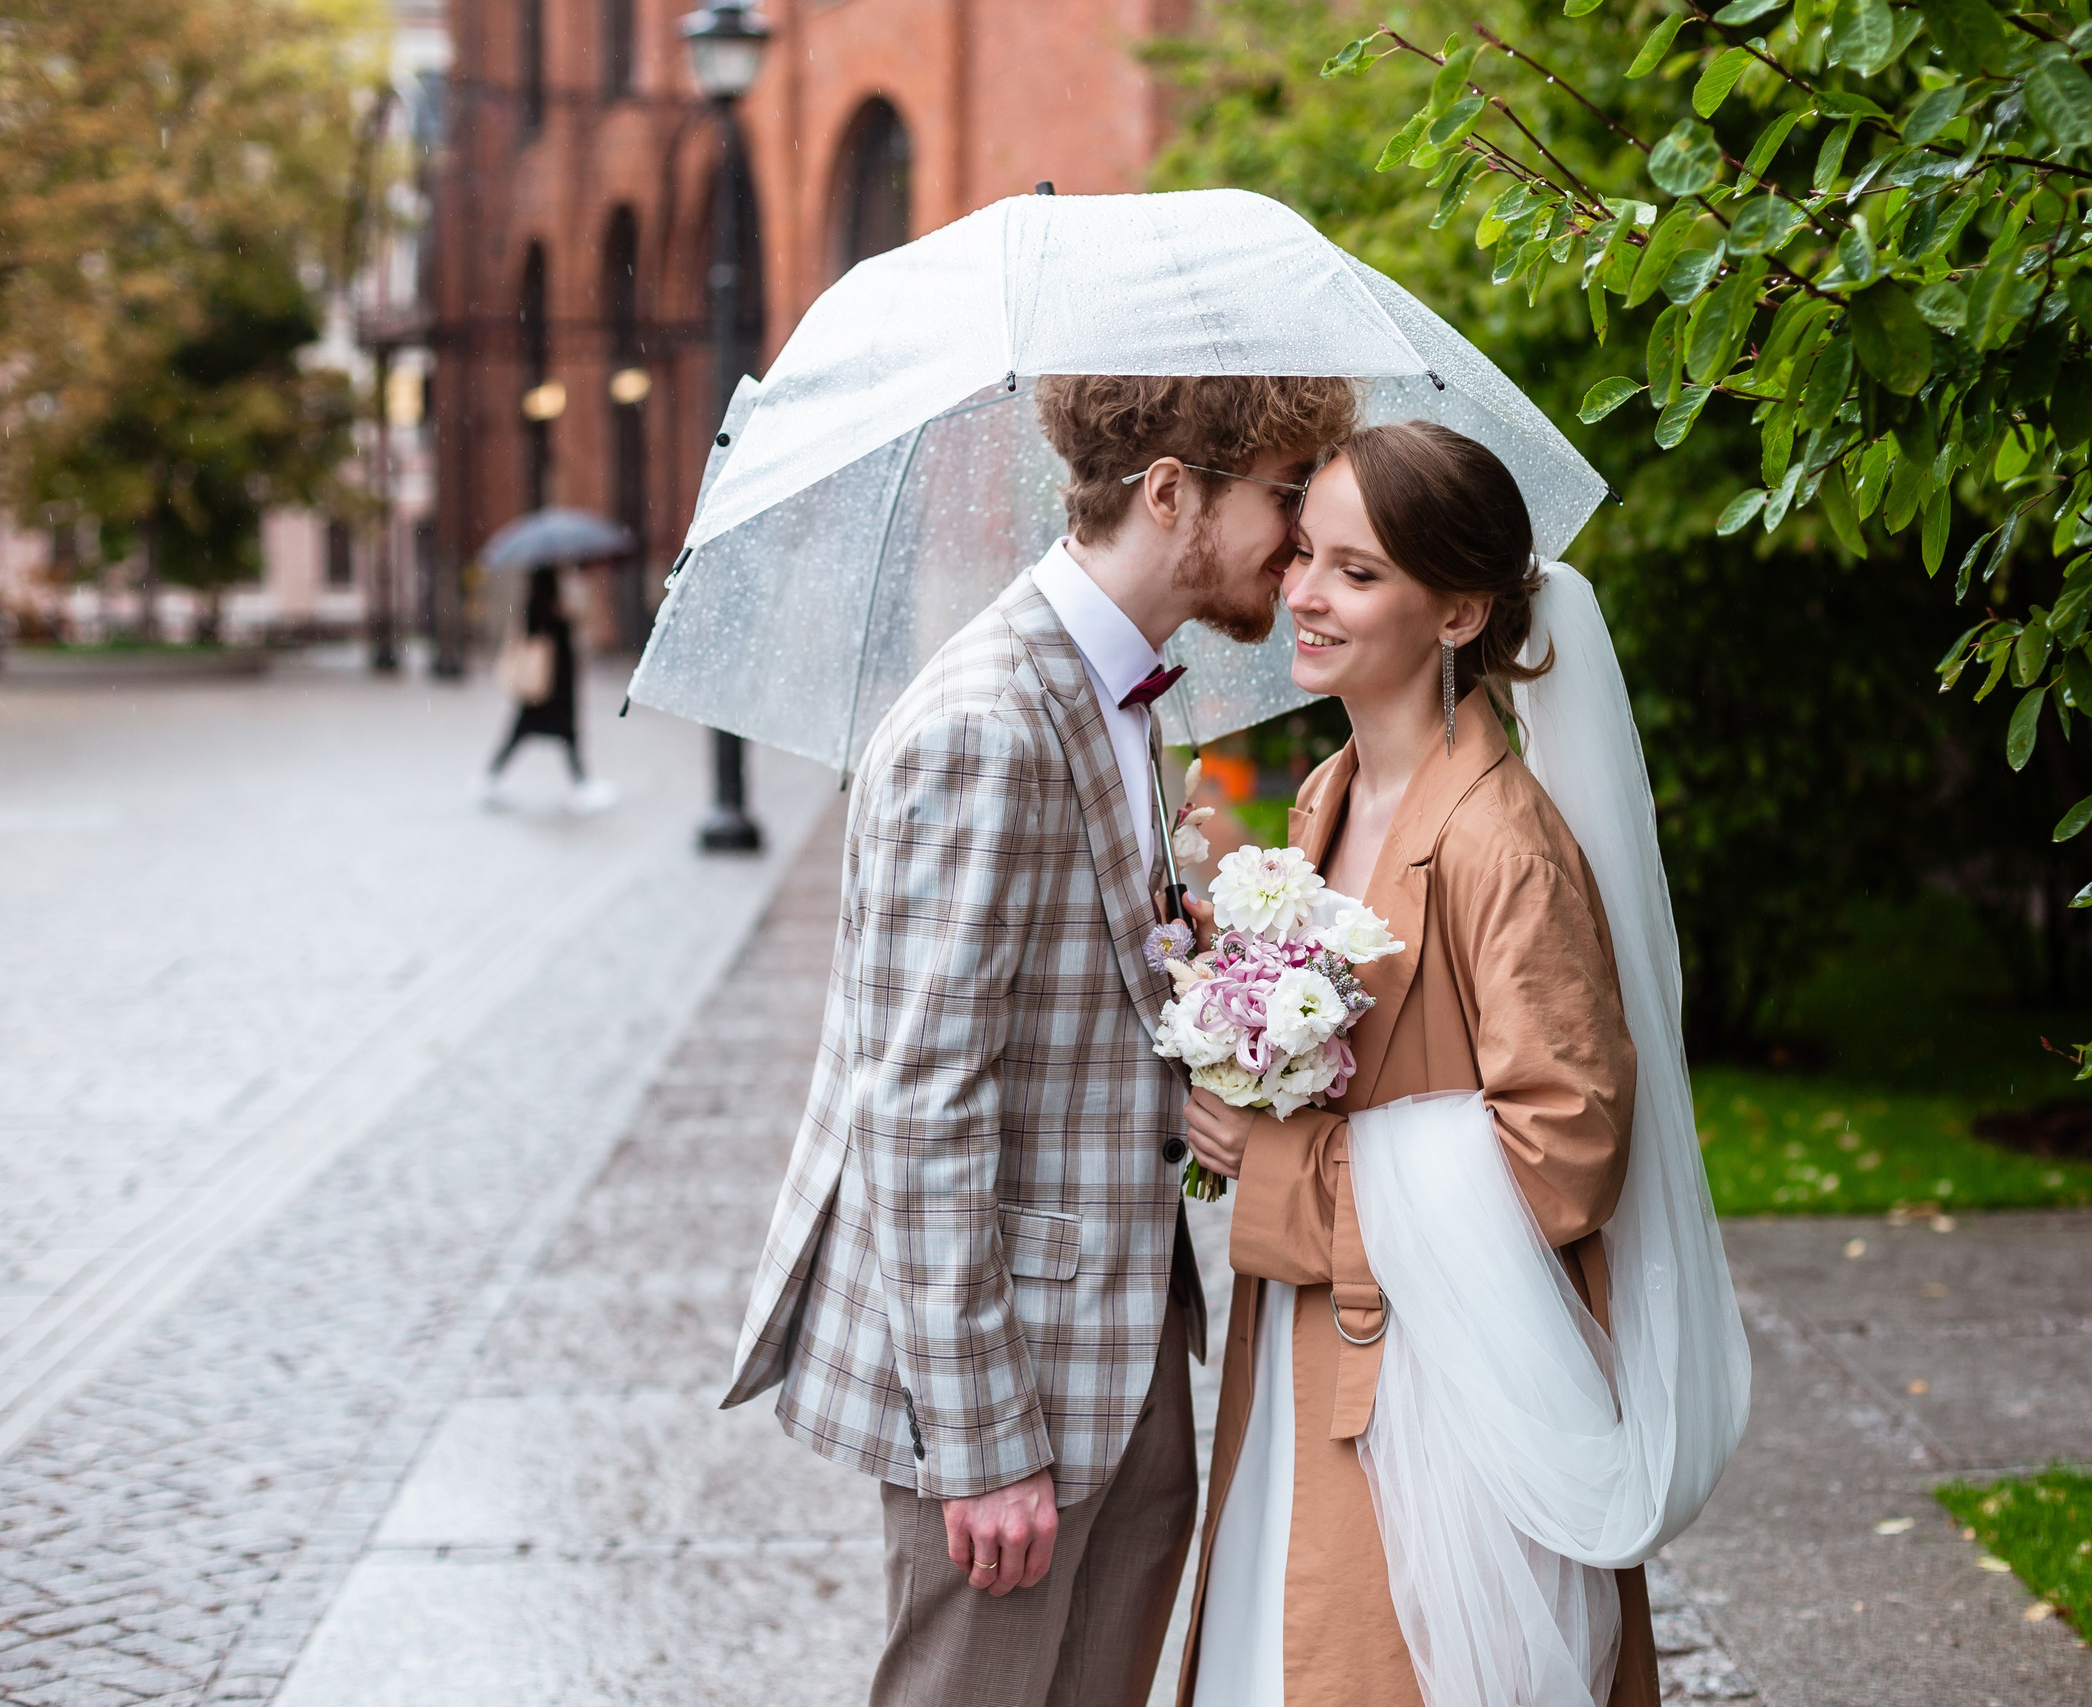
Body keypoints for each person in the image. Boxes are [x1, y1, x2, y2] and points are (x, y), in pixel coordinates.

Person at [721, 374, 1360, 1707]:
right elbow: (918, 1109)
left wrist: (1212, 997)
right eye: (1285, 497)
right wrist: (983, 1441)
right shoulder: (984, 726)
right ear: (1172, 492)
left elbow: (1069, 1000)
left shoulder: (1119, 691)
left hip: (1125, 1338)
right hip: (1017, 1381)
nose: (1299, 542)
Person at [1179, 421, 1746, 1707]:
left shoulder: (1500, 841)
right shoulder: (1326, 793)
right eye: (1305, 556)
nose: (1305, 596)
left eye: (1358, 572)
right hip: (1316, 1359)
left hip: (1440, 1394)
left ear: (1457, 614)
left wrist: (1287, 1164)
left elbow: (1565, 1146)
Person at [483, 565, 614, 813]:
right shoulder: (543, 605)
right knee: (553, 732)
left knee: (533, 731)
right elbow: (541, 633)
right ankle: (581, 785)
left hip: (550, 685)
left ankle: (493, 777)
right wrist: (562, 617)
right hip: (550, 684)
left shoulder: (545, 601)